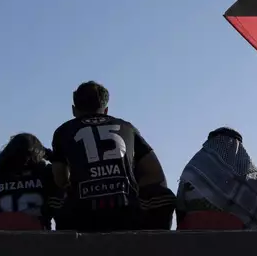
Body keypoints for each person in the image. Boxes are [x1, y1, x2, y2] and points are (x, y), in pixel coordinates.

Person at [51, 81, 173, 231]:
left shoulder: (63, 131)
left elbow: (60, 179)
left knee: (55, 196)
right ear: (106, 109)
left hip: (82, 218)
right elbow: (155, 173)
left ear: (74, 110)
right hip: (127, 214)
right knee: (162, 194)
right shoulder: (127, 127)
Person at [176, 127, 257, 228]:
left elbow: (180, 210)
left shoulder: (191, 173)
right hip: (239, 240)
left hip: (192, 238)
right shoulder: (255, 181)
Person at [0, 133, 63, 229]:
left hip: (2, 235)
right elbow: (69, 168)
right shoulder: (46, 173)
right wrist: (47, 153)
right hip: (38, 235)